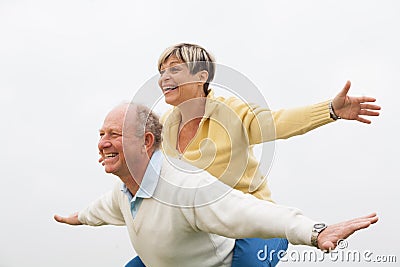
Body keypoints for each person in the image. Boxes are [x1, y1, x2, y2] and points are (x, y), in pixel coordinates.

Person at [121, 43, 381, 267]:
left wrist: (330, 110)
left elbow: (277, 122)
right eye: (161, 72)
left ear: (201, 75)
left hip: (255, 223)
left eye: (174, 69)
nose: (163, 77)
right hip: (203, 226)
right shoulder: (164, 127)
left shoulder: (230, 112)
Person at [55, 103, 379, 267]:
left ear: (146, 142)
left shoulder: (186, 186)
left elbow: (248, 211)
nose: (102, 143)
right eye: (101, 135)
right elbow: (104, 208)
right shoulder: (123, 191)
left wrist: (314, 231)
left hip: (238, 248)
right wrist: (79, 217)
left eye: (113, 135)